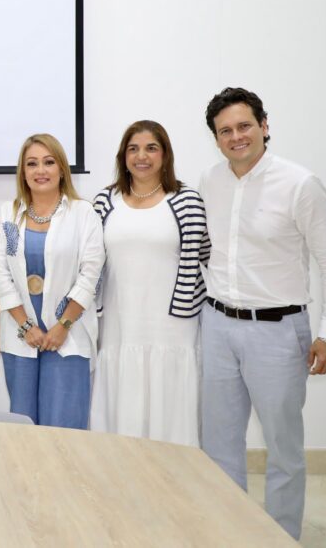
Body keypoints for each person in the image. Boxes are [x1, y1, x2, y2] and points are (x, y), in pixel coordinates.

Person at [200, 87, 326, 539]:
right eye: (225, 131)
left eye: (244, 126)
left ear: (265, 126)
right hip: (217, 326)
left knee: (283, 447)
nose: (236, 137)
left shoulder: (300, 184)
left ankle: (281, 537)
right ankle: (228, 532)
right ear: (215, 138)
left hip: (278, 332)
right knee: (219, 443)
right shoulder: (210, 182)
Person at [88, 120, 208, 445]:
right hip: (119, 320)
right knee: (122, 400)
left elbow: (207, 255)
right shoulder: (105, 201)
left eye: (151, 148)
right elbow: (90, 262)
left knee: (170, 400)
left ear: (165, 155)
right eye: (134, 149)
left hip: (173, 324)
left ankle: (174, 469)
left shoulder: (187, 200)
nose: (142, 156)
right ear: (123, 156)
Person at [0, 133, 104, 428]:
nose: (40, 170)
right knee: (24, 425)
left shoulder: (83, 213)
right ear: (23, 172)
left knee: (63, 426)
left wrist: (63, 325)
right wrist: (26, 326)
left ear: (62, 168)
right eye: (32, 164)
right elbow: (1, 274)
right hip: (21, 335)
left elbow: (90, 274)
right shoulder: (8, 214)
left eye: (49, 162)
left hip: (69, 334)